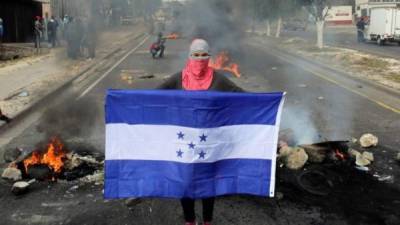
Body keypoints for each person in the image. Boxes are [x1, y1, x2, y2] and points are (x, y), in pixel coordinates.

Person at [158, 39, 243, 225]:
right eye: (196, 55)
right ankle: (190, 221)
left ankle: (207, 221)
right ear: (189, 56)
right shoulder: (178, 78)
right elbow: (155, 96)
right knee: (185, 183)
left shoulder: (218, 79)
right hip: (184, 141)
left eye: (204, 55)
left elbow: (239, 94)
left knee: (208, 184)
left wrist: (269, 102)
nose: (200, 59)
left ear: (209, 56)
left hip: (209, 142)